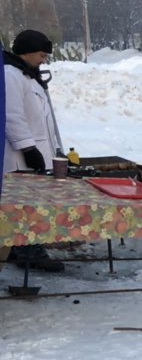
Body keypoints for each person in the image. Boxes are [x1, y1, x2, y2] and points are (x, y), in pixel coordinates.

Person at [4, 29, 67, 271]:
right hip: (19, 156)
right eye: (42, 54)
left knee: (27, 203)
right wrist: (28, 148)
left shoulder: (26, 75)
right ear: (27, 52)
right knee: (26, 205)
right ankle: (28, 251)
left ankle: (17, 248)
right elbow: (11, 116)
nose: (45, 59)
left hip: (33, 149)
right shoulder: (10, 75)